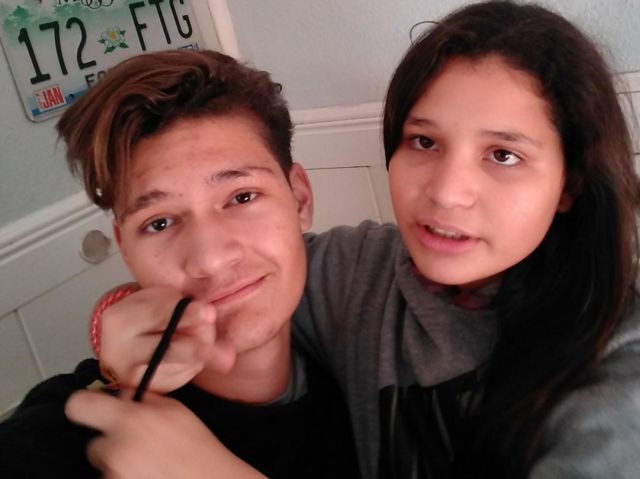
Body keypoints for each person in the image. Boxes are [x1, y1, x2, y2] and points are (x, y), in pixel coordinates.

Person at [84, 1, 640, 478]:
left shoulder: (619, 362)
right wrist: (116, 324)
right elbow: (242, 274)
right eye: (424, 141)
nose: (447, 193)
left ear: (570, 183)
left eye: (503, 155)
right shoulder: (359, 273)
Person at [0, 49, 359, 479]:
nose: (210, 259)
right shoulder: (68, 429)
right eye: (160, 223)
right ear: (126, 249)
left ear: (299, 199)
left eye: (242, 197)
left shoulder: (359, 375)